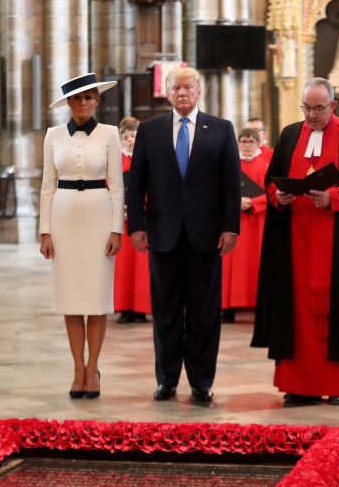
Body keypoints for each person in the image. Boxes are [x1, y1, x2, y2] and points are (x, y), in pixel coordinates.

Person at [252, 77, 339, 406]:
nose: (311, 115)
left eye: (318, 109)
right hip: (295, 243)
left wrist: (333, 197)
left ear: (333, 105)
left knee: (336, 311)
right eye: (306, 108)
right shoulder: (290, 134)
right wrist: (278, 196)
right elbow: (272, 181)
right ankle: (298, 385)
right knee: (295, 314)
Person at [126, 67, 241, 404]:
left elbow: (231, 184)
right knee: (165, 311)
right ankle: (167, 379)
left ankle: (202, 381)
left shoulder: (220, 129)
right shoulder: (150, 131)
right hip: (162, 234)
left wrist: (230, 226)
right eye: (176, 88)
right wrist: (137, 226)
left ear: (199, 91)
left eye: (188, 87)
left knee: (205, 312)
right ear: (167, 92)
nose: (182, 94)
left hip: (206, 236)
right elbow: (137, 184)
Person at [39, 73, 124, 399]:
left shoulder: (109, 134)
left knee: (97, 298)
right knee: (71, 299)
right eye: (78, 98)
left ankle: (94, 368)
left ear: (97, 101)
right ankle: (78, 368)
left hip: (98, 216)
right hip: (63, 218)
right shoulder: (53, 135)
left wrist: (116, 229)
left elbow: (116, 185)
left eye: (89, 97)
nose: (84, 103)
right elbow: (47, 185)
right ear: (69, 103)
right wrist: (44, 231)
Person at [221, 127, 270, 323]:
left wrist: (253, 203)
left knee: (256, 263)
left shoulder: (266, 166)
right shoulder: (228, 165)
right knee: (229, 265)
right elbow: (217, 190)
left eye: (251, 142)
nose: (247, 145)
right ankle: (227, 308)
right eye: (244, 141)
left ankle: (259, 305)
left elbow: (275, 193)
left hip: (257, 222)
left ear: (258, 144)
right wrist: (235, 203)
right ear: (237, 144)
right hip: (232, 222)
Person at [113, 116, 151, 324]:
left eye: (133, 135)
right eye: (125, 136)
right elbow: (107, 185)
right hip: (121, 220)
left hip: (143, 219)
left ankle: (141, 308)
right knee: (122, 266)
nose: (129, 139)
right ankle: (124, 308)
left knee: (141, 266)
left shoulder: (148, 157)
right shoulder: (115, 159)